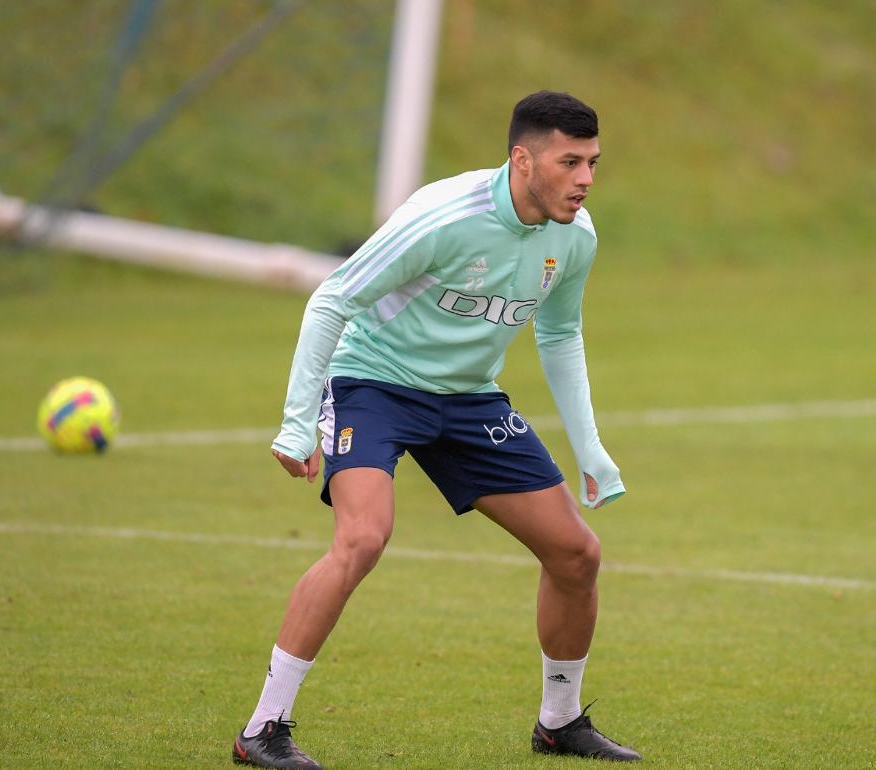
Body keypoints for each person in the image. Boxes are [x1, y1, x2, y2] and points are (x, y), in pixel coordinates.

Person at [232, 91, 641, 768]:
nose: (586, 179)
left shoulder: (576, 236)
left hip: (468, 399)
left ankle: (559, 722)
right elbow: (333, 298)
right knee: (363, 536)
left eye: (593, 162)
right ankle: (262, 729)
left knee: (577, 554)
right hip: (373, 381)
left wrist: (590, 447)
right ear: (522, 160)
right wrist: (298, 422)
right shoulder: (444, 216)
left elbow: (561, 333)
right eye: (570, 162)